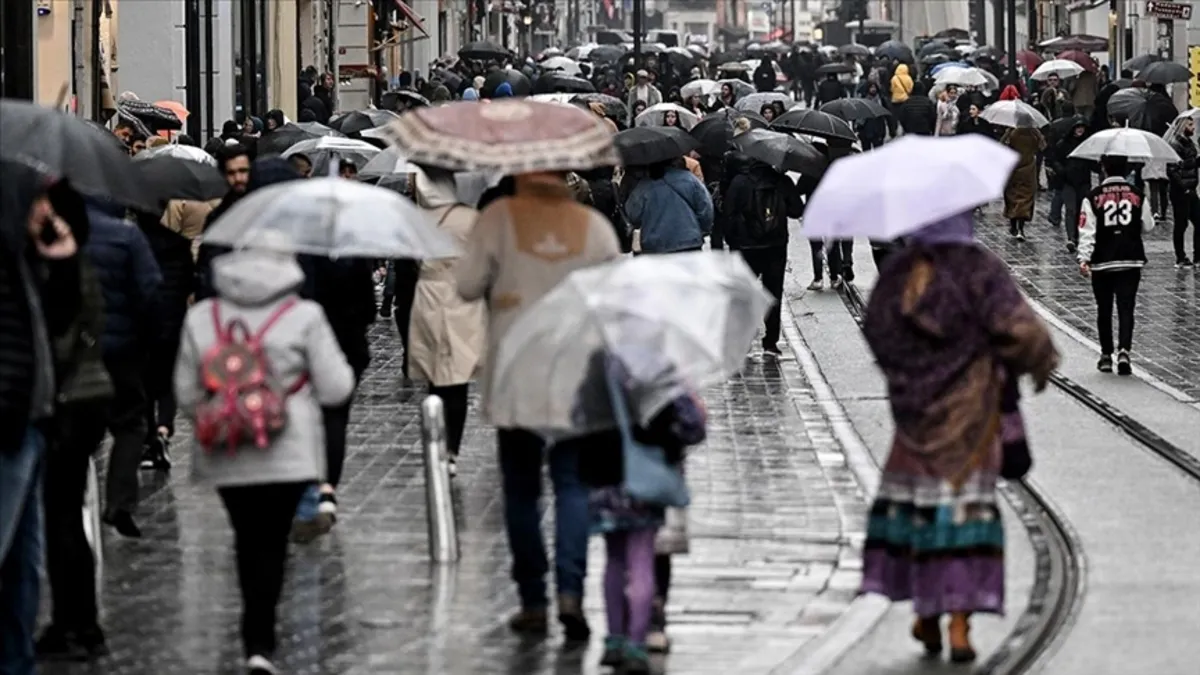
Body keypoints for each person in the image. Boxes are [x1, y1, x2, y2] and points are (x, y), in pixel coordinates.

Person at [861, 211, 1059, 664]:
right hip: (973, 418)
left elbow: (877, 330)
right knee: (966, 515)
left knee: (921, 514)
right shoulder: (980, 269)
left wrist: (907, 374)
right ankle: (959, 622)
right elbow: (1022, 332)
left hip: (915, 419)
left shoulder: (900, 273)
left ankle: (927, 614)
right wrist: (1022, 362)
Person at [454, 170, 622, 641]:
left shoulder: (498, 220)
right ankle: (570, 590)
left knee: (522, 489)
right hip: (573, 373)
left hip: (516, 373)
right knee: (572, 485)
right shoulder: (592, 225)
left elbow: (465, 286)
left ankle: (532, 598)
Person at [174, 246, 354, 675]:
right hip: (288, 453)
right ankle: (261, 643)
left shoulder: (204, 317)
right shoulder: (304, 315)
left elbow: (185, 395)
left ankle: (253, 634)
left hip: (227, 451)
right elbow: (337, 388)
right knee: (272, 543)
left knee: (246, 538)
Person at [1, 163, 90, 672]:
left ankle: (16, 662)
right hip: (11, 425)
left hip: (32, 423)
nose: (45, 211)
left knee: (24, 566)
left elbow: (61, 321)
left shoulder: (24, 261)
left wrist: (64, 260)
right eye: (38, 201)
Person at [575, 350, 706, 674]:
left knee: (614, 559)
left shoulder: (596, 362)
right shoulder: (658, 364)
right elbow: (692, 426)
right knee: (642, 556)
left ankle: (613, 640)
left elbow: (578, 417)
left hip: (607, 474)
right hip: (646, 478)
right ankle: (636, 642)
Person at [81, 195, 163, 539]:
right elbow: (150, 290)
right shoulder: (126, 236)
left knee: (82, 424)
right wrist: (146, 338)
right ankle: (120, 500)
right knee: (130, 424)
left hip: (80, 351)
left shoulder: (64, 233)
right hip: (124, 348)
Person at [406, 166, 486, 477]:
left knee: (435, 377)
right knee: (458, 377)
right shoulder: (471, 219)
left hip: (428, 296)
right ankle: (452, 448)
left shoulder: (419, 221)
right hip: (462, 298)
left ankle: (438, 444)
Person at [135, 198, 203, 471]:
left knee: (146, 383)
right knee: (167, 382)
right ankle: (165, 428)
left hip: (143, 324)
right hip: (173, 320)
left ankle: (151, 436)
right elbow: (189, 282)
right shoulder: (178, 245)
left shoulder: (134, 242)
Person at [1077, 155, 1156, 375]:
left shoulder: (1092, 198)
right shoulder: (1138, 195)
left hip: (1103, 259)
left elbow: (1087, 230)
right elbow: (1148, 225)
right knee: (1126, 306)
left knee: (1104, 308)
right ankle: (1124, 351)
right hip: (1131, 258)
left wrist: (1084, 258)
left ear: (1103, 168)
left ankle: (1105, 354)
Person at [721, 151, 804, 354]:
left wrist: (733, 242)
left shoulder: (740, 182)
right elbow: (797, 211)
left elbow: (728, 213)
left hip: (746, 247)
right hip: (775, 246)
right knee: (773, 293)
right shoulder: (781, 181)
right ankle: (770, 341)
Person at [196, 144, 253, 300]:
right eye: (231, 173)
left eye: (243, 171)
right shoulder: (217, 217)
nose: (238, 178)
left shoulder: (264, 209)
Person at [623, 158, 713, 255]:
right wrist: (702, 229)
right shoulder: (690, 180)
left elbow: (632, 214)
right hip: (689, 241)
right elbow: (706, 209)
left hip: (655, 246)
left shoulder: (644, 186)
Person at [1048, 119, 1093, 253]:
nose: (1080, 130)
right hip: (1068, 181)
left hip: (1083, 182)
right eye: (1078, 127)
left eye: (1082, 127)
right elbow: (1055, 159)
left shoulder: (1088, 144)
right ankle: (1071, 238)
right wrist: (1061, 170)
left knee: (1081, 210)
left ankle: (1078, 236)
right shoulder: (1063, 144)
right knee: (1071, 210)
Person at [1000, 124, 1046, 240]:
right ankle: (1021, 227)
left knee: (1012, 196)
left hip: (1013, 168)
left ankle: (1013, 225)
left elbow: (1002, 146)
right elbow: (1043, 146)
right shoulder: (1034, 133)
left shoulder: (1012, 132)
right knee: (1025, 198)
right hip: (1028, 169)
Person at [1165, 115, 1199, 268]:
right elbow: (1173, 169)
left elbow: (1191, 164)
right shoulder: (1175, 144)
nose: (1193, 128)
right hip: (1181, 191)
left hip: (1191, 188)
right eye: (1190, 125)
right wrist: (1183, 187)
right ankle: (1180, 257)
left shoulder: (1190, 143)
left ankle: (1198, 255)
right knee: (1181, 224)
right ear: (1183, 125)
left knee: (1198, 221)